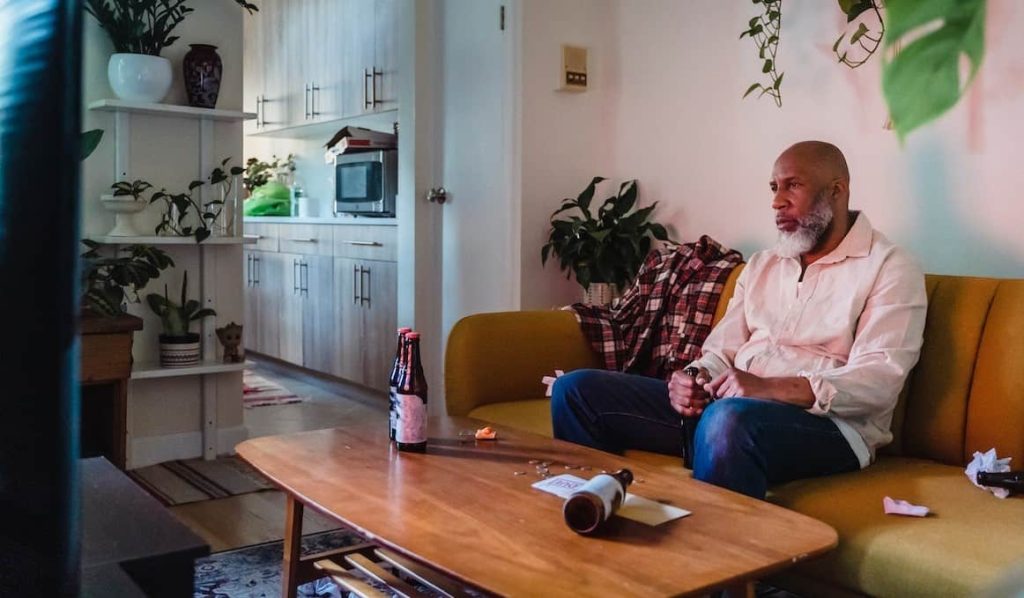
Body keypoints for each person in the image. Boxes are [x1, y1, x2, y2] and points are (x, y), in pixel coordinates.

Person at [551, 141, 928, 499]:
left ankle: (713, 562)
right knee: (577, 392)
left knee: (728, 420)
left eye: (792, 186)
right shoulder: (764, 265)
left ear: (836, 190)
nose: (777, 201)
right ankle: (592, 518)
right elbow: (721, 350)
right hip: (729, 410)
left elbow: (880, 379)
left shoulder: (890, 267)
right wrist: (695, 378)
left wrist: (771, 387)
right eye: (774, 187)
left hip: (830, 429)